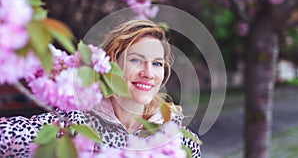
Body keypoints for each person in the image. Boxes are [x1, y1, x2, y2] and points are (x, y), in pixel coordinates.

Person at [0, 20, 201, 157]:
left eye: (157, 63)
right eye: (136, 60)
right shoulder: (74, 126)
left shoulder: (178, 143)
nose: (148, 73)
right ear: (113, 63)